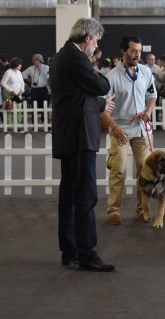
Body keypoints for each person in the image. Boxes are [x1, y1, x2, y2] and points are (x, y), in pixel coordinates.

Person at [50, 17, 116, 272]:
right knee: (86, 195)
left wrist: (99, 103)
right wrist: (98, 81)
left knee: (69, 196)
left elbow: (73, 95)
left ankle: (70, 251)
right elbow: (101, 85)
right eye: (96, 39)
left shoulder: (60, 57)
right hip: (80, 136)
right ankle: (87, 253)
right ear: (87, 37)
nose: (96, 44)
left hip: (68, 134)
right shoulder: (78, 58)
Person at [102, 35, 157, 226]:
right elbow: (102, 108)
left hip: (142, 129)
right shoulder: (111, 77)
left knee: (146, 170)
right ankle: (114, 210)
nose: (137, 55)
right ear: (123, 52)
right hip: (121, 130)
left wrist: (148, 111)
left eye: (140, 51)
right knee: (119, 170)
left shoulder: (145, 72)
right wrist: (114, 128)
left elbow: (151, 94)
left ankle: (143, 209)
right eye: (133, 51)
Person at [1, 58, 25, 126]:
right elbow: (2, 83)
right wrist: (10, 90)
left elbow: (22, 82)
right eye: (20, 64)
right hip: (9, 94)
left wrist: (22, 90)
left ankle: (19, 125)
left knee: (19, 110)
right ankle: (8, 126)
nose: (21, 66)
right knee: (9, 110)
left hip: (18, 94)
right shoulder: (8, 72)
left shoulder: (19, 73)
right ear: (16, 65)